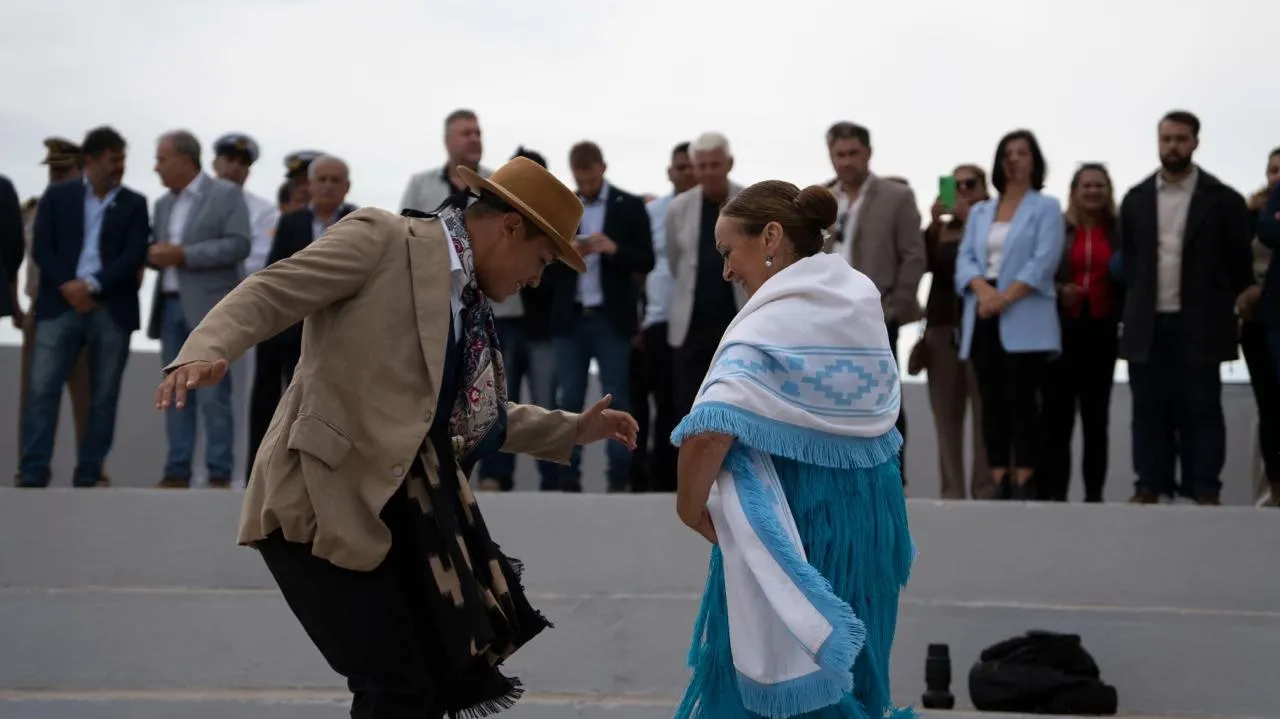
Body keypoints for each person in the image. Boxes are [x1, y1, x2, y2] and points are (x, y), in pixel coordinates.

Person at [154, 156, 640, 719]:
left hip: (398, 516)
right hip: (316, 504)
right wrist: (205, 349)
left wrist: (572, 429)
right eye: (542, 259)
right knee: (397, 685)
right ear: (509, 226)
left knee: (420, 687)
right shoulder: (383, 238)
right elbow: (271, 290)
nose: (537, 278)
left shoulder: (468, 304)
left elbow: (466, 411)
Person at [671, 180, 913, 718]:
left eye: (728, 251)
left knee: (781, 696)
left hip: (797, 523)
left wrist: (687, 507)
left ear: (772, 237)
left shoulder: (774, 317)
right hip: (871, 523)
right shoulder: (857, 299)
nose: (727, 271)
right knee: (860, 682)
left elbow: (710, 428)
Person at [954, 129, 1064, 501]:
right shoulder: (982, 211)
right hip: (983, 313)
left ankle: (1025, 477)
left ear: (1035, 160)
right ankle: (999, 476)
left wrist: (1005, 296)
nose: (1015, 159)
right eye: (1008, 153)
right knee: (992, 400)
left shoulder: (1045, 207)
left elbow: (1043, 261)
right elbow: (966, 259)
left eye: (1023, 152)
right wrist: (984, 292)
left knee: (1023, 399)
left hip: (1024, 313)